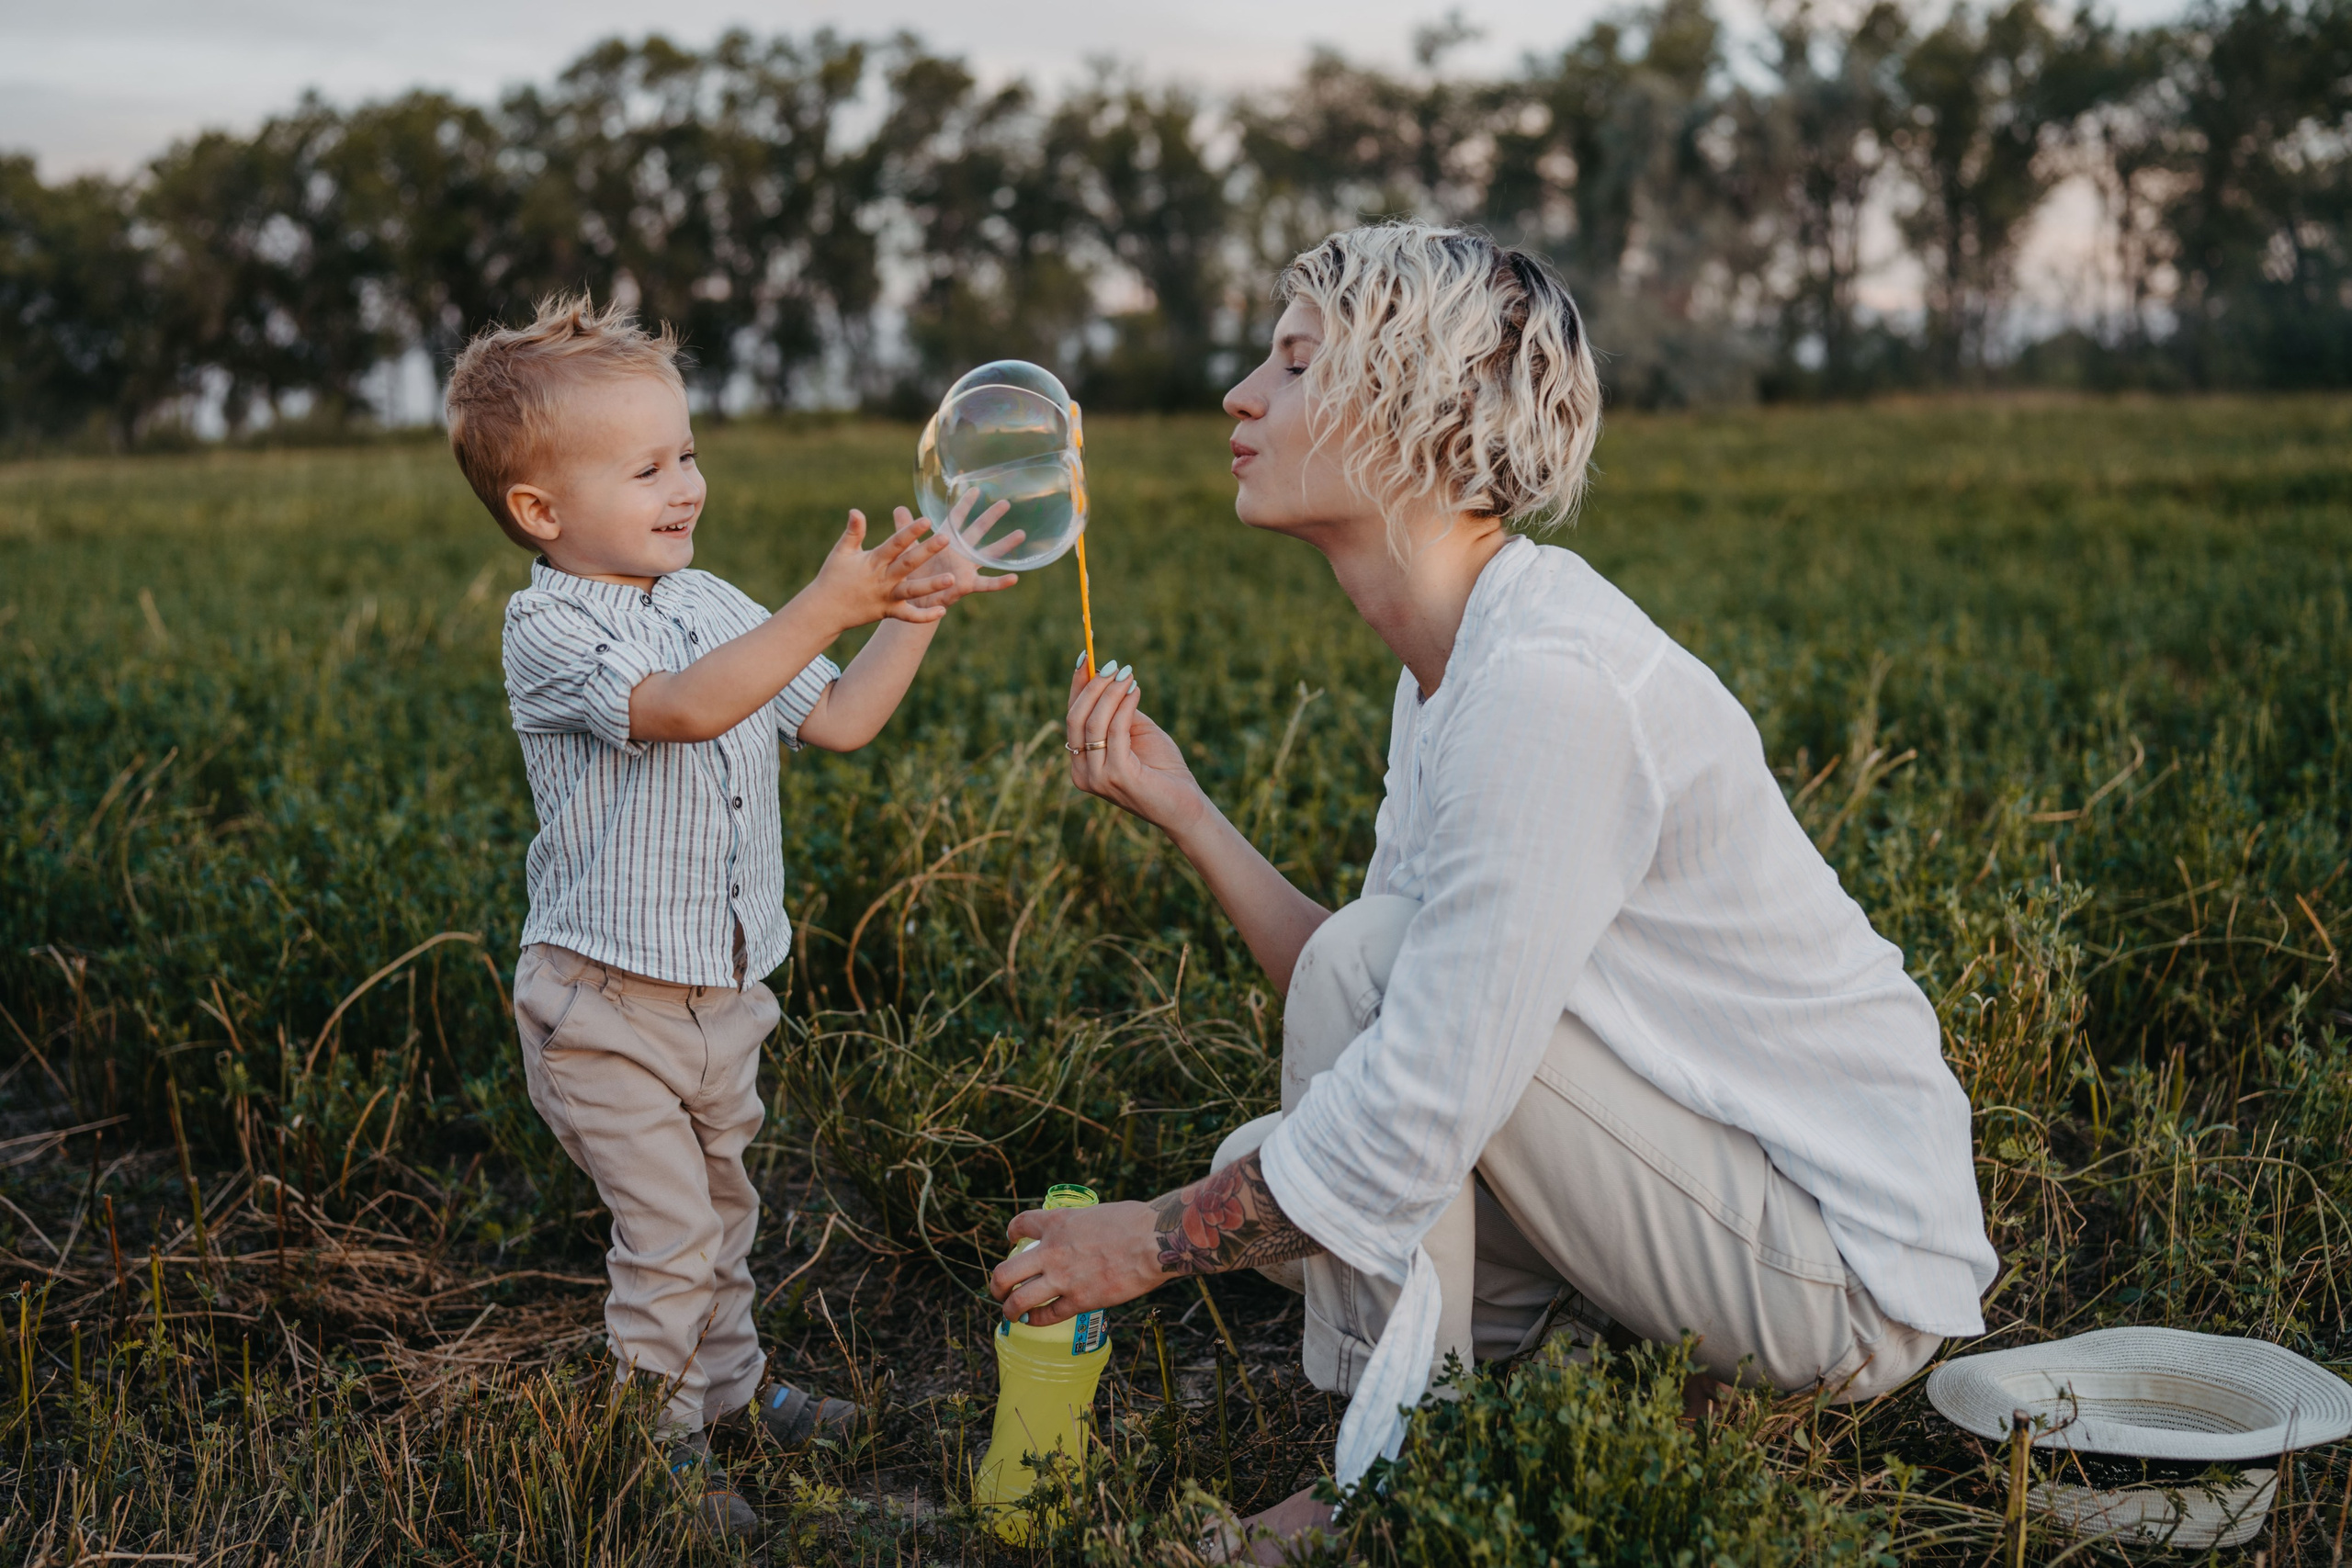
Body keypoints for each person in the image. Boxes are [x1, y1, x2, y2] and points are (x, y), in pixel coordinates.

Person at [987, 224, 1998, 1562]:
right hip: (1706, 1189)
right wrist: (1186, 810)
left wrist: (1150, 1243)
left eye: (1296, 364)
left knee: (1289, 1176)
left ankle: (1387, 1484)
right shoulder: (1459, 665)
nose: (1241, 395)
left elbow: (1414, 1092)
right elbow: (1366, 984)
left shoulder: (1545, 690)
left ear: (1422, 416)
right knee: (1275, 1151)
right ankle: (1491, 1375)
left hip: (1837, 1276)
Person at [444, 294, 1014, 1539]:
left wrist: (907, 613)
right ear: (540, 510)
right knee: (669, 1237)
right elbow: (685, 709)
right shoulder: (549, 626)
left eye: (688, 452)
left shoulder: (712, 599)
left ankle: (734, 1390)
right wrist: (825, 604)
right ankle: (651, 1449)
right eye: (646, 468)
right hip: (604, 1008)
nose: (686, 484)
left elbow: (839, 719)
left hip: (725, 991)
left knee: (726, 1216)